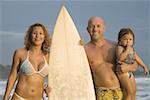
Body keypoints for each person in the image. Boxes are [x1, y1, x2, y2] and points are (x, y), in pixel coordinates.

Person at [84, 16, 138, 100]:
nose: (95, 29)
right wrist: (76, 43)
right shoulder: (84, 50)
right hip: (103, 94)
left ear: (104, 28)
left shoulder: (115, 46)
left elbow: (135, 64)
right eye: (92, 26)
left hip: (122, 92)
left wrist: (128, 67)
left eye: (98, 26)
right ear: (87, 29)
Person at [4, 23, 51, 100]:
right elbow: (12, 77)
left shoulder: (48, 56)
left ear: (44, 36)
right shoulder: (20, 53)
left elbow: (58, 75)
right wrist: (5, 98)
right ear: (29, 36)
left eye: (40, 33)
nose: (37, 36)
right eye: (34, 33)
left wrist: (50, 89)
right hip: (19, 98)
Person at [116, 28, 149, 100]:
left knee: (133, 92)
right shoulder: (120, 48)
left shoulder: (132, 49)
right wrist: (127, 50)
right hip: (122, 72)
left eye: (130, 39)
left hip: (130, 72)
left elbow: (137, 58)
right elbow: (120, 58)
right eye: (125, 39)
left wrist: (144, 66)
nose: (128, 41)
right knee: (129, 92)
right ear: (120, 40)